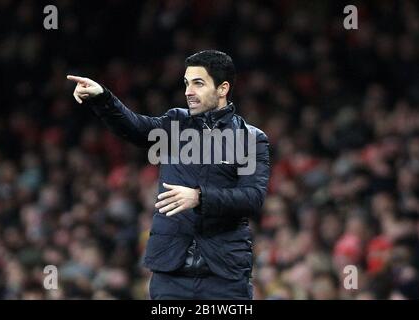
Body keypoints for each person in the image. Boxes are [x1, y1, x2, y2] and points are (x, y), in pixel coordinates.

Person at [67, 50, 270, 300]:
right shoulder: (175, 123)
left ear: (222, 88)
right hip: (171, 273)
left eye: (198, 83)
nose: (188, 91)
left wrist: (200, 197)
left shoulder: (249, 139)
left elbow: (252, 198)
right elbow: (136, 128)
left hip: (224, 275)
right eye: (186, 83)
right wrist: (102, 98)